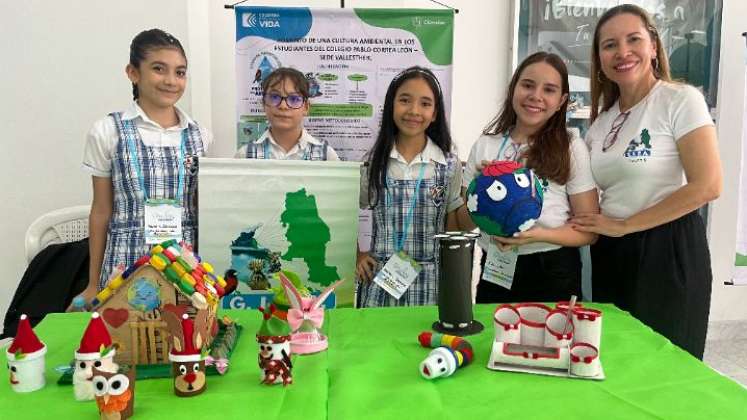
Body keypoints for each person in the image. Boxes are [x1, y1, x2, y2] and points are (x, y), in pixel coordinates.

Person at [571, 4, 722, 359]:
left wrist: (627, 225)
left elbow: (708, 185)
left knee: (666, 367)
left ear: (653, 46)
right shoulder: (600, 124)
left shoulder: (680, 100)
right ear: (599, 58)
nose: (622, 52)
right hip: (611, 251)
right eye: (609, 45)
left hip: (668, 249)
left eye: (633, 39)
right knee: (618, 362)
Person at [79, 29, 213, 304]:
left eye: (180, 72)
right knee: (127, 340)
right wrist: (93, 283)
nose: (171, 81)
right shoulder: (107, 131)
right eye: (159, 69)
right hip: (126, 261)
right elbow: (101, 211)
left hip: (184, 268)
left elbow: (204, 211)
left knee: (184, 340)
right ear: (133, 73)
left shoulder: (201, 136)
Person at [457, 52, 599, 304]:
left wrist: (539, 234)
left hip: (552, 269)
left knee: (551, 343)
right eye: (528, 85)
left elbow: (589, 231)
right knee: (494, 342)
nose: (536, 96)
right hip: (496, 268)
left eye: (549, 89)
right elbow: (463, 224)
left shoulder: (570, 147)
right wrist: (480, 191)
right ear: (514, 89)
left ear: (561, 100)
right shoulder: (485, 145)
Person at [356, 66, 463, 307]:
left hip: (431, 283)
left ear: (435, 113)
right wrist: (358, 254)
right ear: (391, 105)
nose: (414, 111)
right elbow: (341, 209)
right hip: (381, 280)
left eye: (425, 104)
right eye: (405, 100)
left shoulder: (448, 164)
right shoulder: (374, 162)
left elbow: (454, 226)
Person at [235, 67, 339, 160]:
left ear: (306, 107)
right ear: (264, 104)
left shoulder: (327, 156)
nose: (283, 106)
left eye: (294, 98)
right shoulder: (244, 156)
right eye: (274, 97)